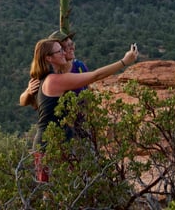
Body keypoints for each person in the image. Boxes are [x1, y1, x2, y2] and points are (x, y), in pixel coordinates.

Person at [30, 38, 138, 181]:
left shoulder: (49, 79)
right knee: (52, 189)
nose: (64, 53)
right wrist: (124, 62)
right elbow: (96, 75)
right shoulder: (54, 80)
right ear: (49, 58)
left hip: (58, 143)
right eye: (59, 51)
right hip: (48, 146)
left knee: (66, 188)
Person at [19, 30, 88, 109]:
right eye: (67, 46)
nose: (72, 48)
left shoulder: (79, 67)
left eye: (72, 44)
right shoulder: (48, 76)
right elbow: (22, 101)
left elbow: (89, 92)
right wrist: (28, 91)